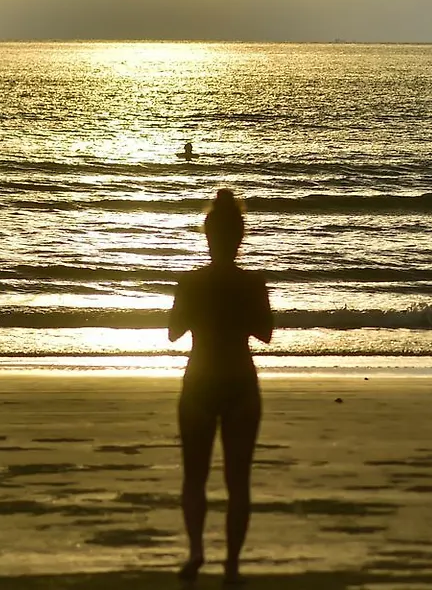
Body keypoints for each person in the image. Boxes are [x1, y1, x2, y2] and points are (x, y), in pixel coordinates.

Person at [169, 188, 274, 583]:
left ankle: (196, 552)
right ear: (239, 238)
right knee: (238, 481)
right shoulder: (253, 283)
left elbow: (173, 333)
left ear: (208, 236)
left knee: (194, 476)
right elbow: (264, 333)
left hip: (199, 381)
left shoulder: (190, 282)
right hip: (239, 382)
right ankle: (231, 563)